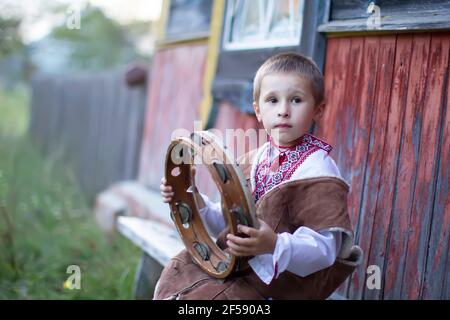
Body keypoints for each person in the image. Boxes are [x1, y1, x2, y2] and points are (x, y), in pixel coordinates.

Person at [155, 52, 362, 300]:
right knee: (178, 270)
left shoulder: (319, 172)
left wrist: (274, 244)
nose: (283, 110)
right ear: (258, 110)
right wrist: (194, 201)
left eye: (296, 100)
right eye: (273, 100)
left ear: (318, 110)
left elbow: (324, 251)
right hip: (234, 267)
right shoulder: (251, 162)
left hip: (278, 285)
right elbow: (228, 225)